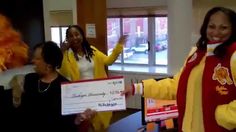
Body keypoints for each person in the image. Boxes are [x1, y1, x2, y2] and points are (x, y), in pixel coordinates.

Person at [123, 7, 236, 132]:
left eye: (223, 27)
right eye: (212, 26)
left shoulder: (233, 56)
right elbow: (176, 85)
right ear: (205, 28)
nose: (216, 32)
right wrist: (136, 88)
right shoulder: (197, 54)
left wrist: (223, 116)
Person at [59, 25, 128, 131]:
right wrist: (62, 53)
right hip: (81, 96)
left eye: (77, 34)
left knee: (101, 123)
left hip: (98, 93)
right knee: (86, 125)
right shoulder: (68, 56)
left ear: (82, 36)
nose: (74, 38)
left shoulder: (92, 51)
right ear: (67, 39)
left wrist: (119, 45)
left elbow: (109, 61)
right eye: (71, 36)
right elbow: (63, 73)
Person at [18, 41, 95, 131]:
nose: (33, 61)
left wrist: (79, 120)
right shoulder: (30, 79)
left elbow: (70, 123)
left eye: (37, 59)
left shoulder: (66, 88)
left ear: (49, 66)